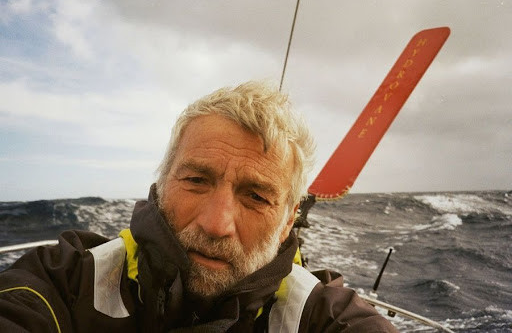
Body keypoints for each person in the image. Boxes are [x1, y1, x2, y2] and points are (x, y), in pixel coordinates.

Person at [0, 81, 398, 332]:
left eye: (257, 197)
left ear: (286, 222)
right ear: (161, 184)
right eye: (195, 180)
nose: (216, 224)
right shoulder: (65, 281)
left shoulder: (322, 317)